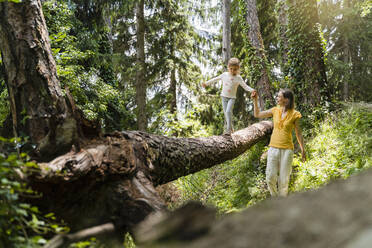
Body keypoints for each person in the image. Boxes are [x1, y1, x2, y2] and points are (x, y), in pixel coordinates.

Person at [251, 89, 306, 197]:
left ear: (286, 99)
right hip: (273, 148)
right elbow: (257, 114)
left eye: (279, 96)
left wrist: (303, 149)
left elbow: (298, 133)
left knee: (284, 180)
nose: (277, 98)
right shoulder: (275, 110)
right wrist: (255, 100)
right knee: (270, 177)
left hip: (287, 150)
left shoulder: (295, 114)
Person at [202, 58, 255, 134]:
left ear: (238, 69)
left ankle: (228, 130)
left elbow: (245, 86)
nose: (233, 71)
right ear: (228, 67)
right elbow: (215, 79)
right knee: (226, 114)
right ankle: (231, 128)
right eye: (231, 69)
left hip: (232, 98)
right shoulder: (224, 75)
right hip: (223, 97)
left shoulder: (238, 78)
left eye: (235, 69)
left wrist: (252, 90)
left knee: (228, 111)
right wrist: (206, 83)